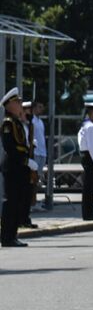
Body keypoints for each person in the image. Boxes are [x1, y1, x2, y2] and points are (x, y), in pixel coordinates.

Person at [2, 88, 32, 247]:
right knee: (11, 201)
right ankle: (7, 236)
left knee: (18, 201)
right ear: (10, 104)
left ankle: (12, 235)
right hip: (13, 166)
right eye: (18, 102)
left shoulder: (17, 122)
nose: (20, 104)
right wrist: (24, 160)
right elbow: (9, 147)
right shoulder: (8, 123)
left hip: (19, 166)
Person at [26, 101, 47, 214]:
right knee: (32, 179)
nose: (41, 109)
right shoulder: (32, 121)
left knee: (37, 179)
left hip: (42, 152)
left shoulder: (40, 121)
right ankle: (31, 203)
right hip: (36, 152)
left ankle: (34, 201)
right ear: (33, 108)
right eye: (39, 107)